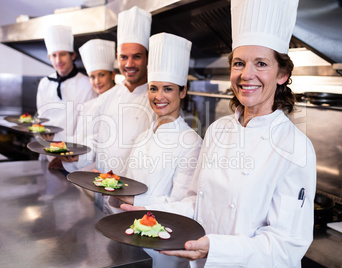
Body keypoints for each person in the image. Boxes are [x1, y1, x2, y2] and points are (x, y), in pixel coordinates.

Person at [121, 0, 317, 267]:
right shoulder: (217, 131)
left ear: (282, 74)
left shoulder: (295, 146)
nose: (247, 75)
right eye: (239, 63)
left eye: (261, 64)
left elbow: (286, 247)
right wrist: (151, 210)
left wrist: (216, 248)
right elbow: (195, 202)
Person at [111, 32, 202, 268]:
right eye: (153, 88)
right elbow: (126, 184)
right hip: (129, 235)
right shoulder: (143, 136)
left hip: (163, 249)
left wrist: (131, 199)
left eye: (168, 89)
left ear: (182, 92)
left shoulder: (190, 141)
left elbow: (182, 204)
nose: (158, 97)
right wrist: (112, 191)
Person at [61, 6, 155, 212]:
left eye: (137, 56)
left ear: (148, 58)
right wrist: (77, 157)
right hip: (105, 195)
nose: (129, 63)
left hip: (141, 199)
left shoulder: (157, 100)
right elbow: (95, 142)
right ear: (117, 59)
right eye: (123, 57)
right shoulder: (107, 99)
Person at [36, 25, 97, 169]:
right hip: (46, 156)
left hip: (73, 160)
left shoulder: (87, 84)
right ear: (49, 57)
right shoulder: (44, 84)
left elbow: (88, 129)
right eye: (54, 55)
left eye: (63, 54)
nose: (58, 60)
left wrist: (64, 157)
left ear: (73, 55)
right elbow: (40, 121)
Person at [74, 39, 116, 147]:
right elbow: (77, 140)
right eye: (92, 77)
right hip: (80, 162)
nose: (97, 81)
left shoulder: (119, 104)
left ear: (112, 75)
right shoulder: (86, 107)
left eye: (101, 75)